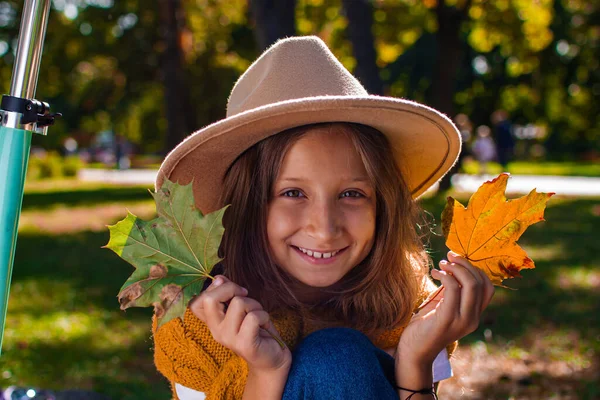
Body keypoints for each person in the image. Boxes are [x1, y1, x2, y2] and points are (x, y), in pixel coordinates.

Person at [152, 36, 494, 400]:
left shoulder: (412, 304)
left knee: (337, 354)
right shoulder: (194, 322)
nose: (325, 228)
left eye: (351, 194)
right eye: (293, 193)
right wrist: (266, 371)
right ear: (245, 207)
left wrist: (415, 362)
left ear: (382, 205)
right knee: (335, 356)